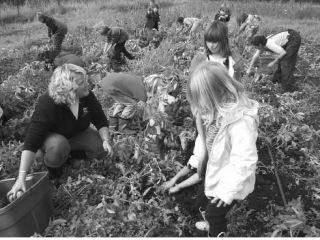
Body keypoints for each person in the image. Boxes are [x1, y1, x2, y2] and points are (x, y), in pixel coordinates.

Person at [7, 64, 114, 202]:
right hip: (51, 139)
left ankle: (69, 155)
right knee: (58, 145)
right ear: (68, 88)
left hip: (76, 134)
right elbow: (31, 142)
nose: (87, 84)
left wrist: (105, 139)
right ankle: (54, 172)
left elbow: (100, 119)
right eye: (81, 82)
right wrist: (21, 178)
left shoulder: (86, 96)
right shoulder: (48, 102)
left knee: (100, 148)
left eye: (86, 80)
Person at [187, 61, 259, 237]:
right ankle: (209, 222)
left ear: (216, 93)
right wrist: (196, 160)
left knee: (215, 213)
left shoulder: (240, 122)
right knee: (202, 200)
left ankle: (216, 232)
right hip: (216, 168)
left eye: (200, 98)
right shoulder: (215, 111)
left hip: (230, 178)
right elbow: (205, 140)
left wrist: (226, 191)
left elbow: (244, 161)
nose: (198, 105)